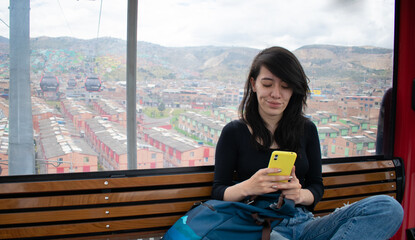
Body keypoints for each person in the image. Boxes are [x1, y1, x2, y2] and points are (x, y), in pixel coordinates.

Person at [211, 46, 403, 240]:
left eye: (285, 86)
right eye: (267, 84)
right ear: (254, 84)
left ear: (294, 89)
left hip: (304, 224)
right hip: (258, 226)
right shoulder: (234, 132)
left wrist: (299, 194)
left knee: (388, 208)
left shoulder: (307, 129)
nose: (276, 94)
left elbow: (316, 186)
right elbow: (218, 191)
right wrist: (249, 187)